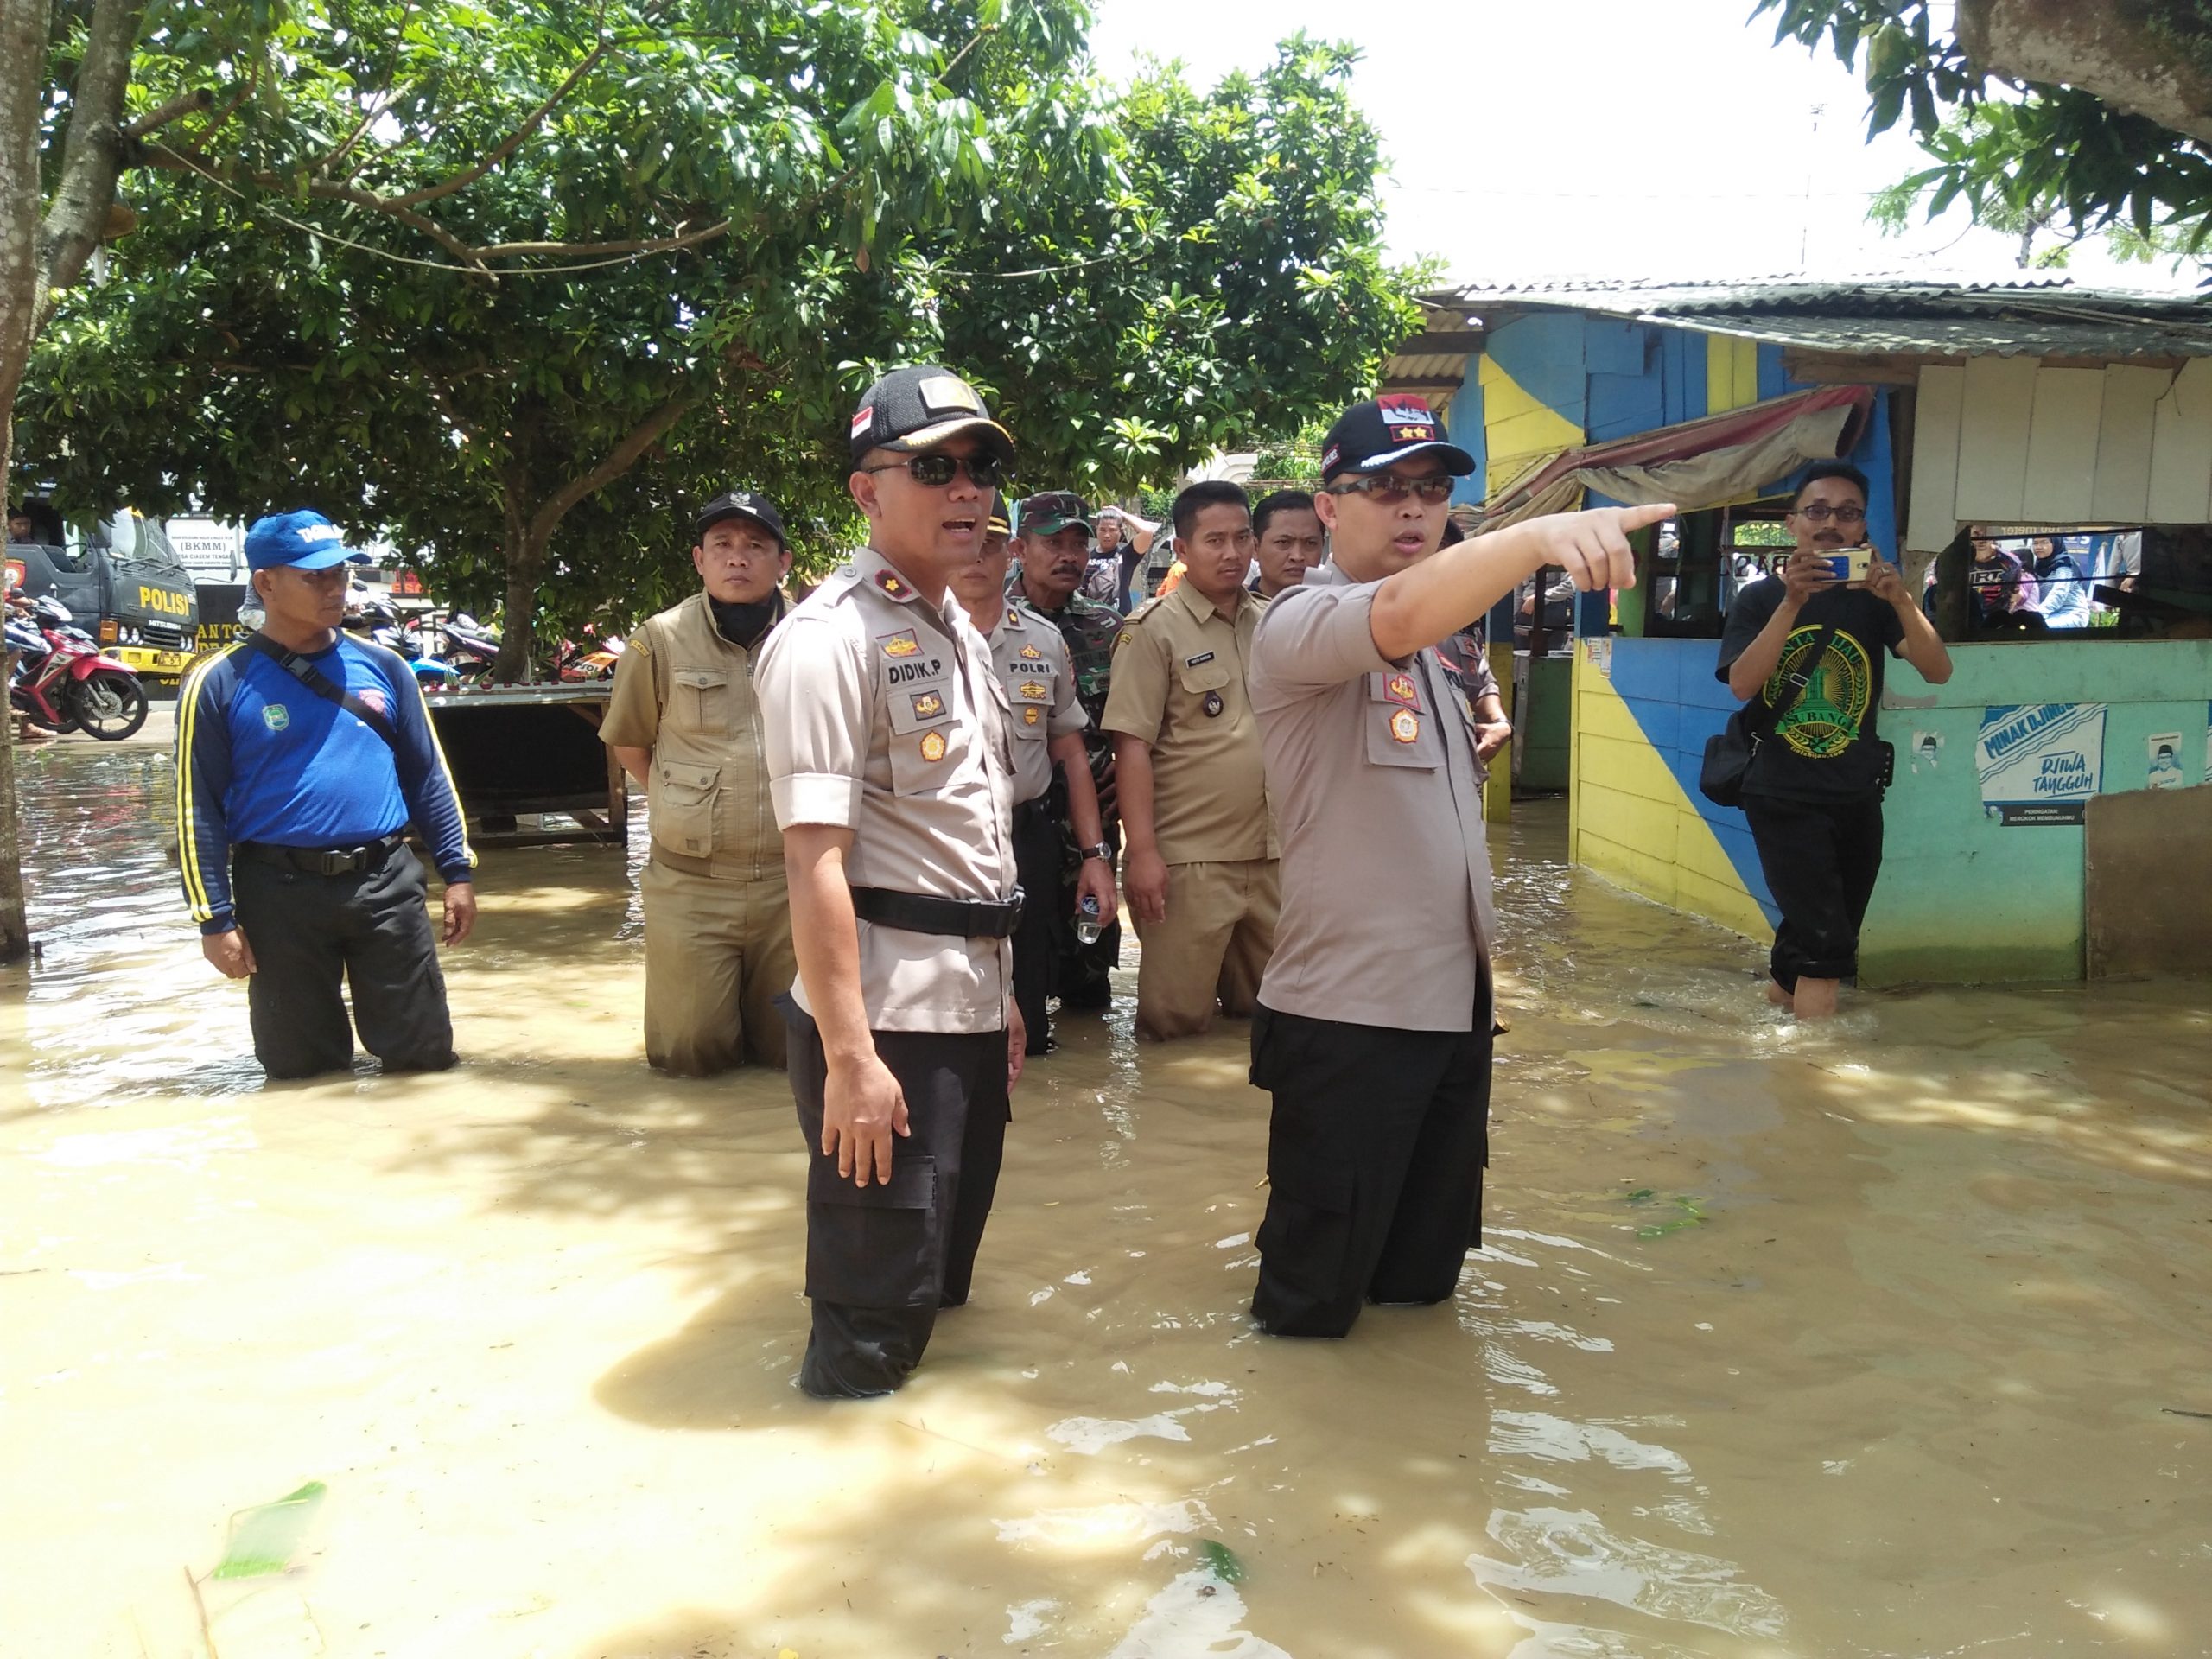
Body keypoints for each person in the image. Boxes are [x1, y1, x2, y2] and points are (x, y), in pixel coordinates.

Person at [1244, 394, 1671, 1339]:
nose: (1411, 509)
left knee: (1421, 1291)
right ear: (1326, 507)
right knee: (1309, 1310)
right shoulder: (1299, 623)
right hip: (1348, 1016)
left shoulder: (1441, 656)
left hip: (1450, 1011)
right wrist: (1537, 538)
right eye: (1383, 488)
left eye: (1430, 489)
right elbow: (1394, 609)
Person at [753, 365, 1026, 1399]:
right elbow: (811, 860)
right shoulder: (828, 640)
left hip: (963, 1007)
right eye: (935, 468)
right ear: (868, 492)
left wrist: (999, 999)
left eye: (982, 467)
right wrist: (851, 1061)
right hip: (882, 1027)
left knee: (940, 1289)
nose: (968, 490)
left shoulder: (958, 626)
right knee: (869, 1335)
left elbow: (968, 835)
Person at [175, 509, 477, 1079]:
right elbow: (198, 811)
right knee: (301, 1074)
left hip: (385, 881)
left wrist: (458, 874)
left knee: (424, 1062)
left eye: (339, 573)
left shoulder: (386, 668)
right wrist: (214, 920)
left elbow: (427, 776)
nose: (336, 588)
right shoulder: (218, 683)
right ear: (265, 583)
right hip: (278, 896)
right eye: (315, 577)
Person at [1719, 461, 1954, 1020]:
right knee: (1828, 945)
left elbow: (1937, 670)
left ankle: (1775, 1025)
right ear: (1792, 522)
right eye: (1817, 510)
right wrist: (1792, 603)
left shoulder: (1876, 602)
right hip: (1782, 793)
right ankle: (1814, 1080)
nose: (1831, 524)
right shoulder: (1760, 599)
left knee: (1819, 928)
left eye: (1847, 514)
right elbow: (1742, 684)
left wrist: (1901, 600)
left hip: (1856, 791)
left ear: (1862, 528)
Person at [599, 489, 798, 1074]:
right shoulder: (659, 637)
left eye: (756, 546)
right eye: (723, 546)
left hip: (795, 882)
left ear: (782, 561)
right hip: (692, 884)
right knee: (689, 1056)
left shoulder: (817, 634)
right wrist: (682, 805)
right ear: (699, 560)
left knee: (795, 1056)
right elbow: (629, 741)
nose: (739, 558)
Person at [1104, 480, 1278, 1041]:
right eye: (1214, 540)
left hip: (1278, 856)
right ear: (1181, 550)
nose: (1231, 553)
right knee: (1173, 1026)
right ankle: (1166, 1125)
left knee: (1277, 1022)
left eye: (1242, 538)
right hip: (1191, 863)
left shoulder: (1277, 622)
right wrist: (1144, 854)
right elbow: (1131, 746)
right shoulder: (1153, 631)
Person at [951, 508, 1116, 1055]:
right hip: (943, 839)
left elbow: (1070, 751)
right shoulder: (906, 637)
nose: (977, 558)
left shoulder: (1043, 641)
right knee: (944, 1002)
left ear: (1009, 555)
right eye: (966, 544)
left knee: (1033, 1009)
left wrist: (1095, 856)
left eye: (990, 546)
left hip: (1029, 838)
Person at [1010, 491, 1125, 1013]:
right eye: (1053, 542)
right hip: (1018, 822)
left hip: (1095, 821)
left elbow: (1137, 724)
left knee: (1090, 966)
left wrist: (1126, 775)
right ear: (1019, 548)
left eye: (1078, 543)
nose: (1070, 556)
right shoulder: (987, 620)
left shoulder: (1108, 628)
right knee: (1017, 963)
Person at [1431, 522, 1513, 763]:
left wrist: (1499, 723)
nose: (1431, 552)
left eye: (1442, 545)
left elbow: (1478, 678)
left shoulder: (1463, 615)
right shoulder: (1377, 612)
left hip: (1456, 762)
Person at [1249, 489, 1324, 601]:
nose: (1297, 556)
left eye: (1310, 543)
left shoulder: (1333, 611)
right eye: (1283, 542)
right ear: (1255, 547)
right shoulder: (1234, 614)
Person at [1967, 531, 2040, 627]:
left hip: (1998, 622)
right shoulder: (1958, 560)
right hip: (1966, 620)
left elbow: (2014, 595)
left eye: (1987, 534)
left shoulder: (2010, 562)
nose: (1982, 540)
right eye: (1976, 535)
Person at [2029, 534, 2092, 629]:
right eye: (2035, 543)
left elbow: (2059, 593)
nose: (2039, 547)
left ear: (2055, 544)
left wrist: (2037, 615)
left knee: (2038, 628)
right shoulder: (2037, 566)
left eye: (2044, 542)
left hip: (2072, 614)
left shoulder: (2064, 564)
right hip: (2049, 615)